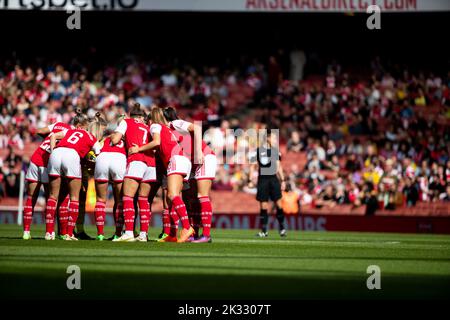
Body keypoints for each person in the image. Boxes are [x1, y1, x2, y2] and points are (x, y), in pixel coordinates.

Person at [129, 107, 194, 243]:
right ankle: (172, 234)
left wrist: (138, 148)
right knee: (171, 201)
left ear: (151, 119)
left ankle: (187, 227)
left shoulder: (155, 126)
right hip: (182, 159)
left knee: (172, 195)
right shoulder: (166, 128)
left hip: (175, 160)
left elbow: (157, 142)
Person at [162, 106, 217, 243]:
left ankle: (206, 235)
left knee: (201, 196)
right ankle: (194, 233)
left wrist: (198, 152)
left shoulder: (174, 123)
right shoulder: (169, 131)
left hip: (203, 157)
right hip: (191, 163)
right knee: (189, 199)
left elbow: (196, 128)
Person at [45, 111, 103, 240]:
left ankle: (49, 232)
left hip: (57, 153)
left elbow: (53, 136)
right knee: (74, 197)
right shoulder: (90, 136)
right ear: (84, 126)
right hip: (72, 156)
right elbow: (99, 154)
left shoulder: (69, 131)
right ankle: (69, 234)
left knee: (53, 196)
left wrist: (53, 152)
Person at [110, 103, 156, 242]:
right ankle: (143, 235)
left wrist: (118, 136)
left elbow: (115, 139)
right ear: (141, 117)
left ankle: (129, 232)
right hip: (151, 164)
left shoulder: (126, 121)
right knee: (143, 199)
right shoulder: (148, 127)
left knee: (128, 197)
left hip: (136, 160)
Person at [22, 120, 72, 240]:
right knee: (51, 197)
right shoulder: (72, 133)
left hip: (36, 158)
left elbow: (39, 131)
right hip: (47, 163)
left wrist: (47, 138)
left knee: (30, 197)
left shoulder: (58, 124)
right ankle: (49, 232)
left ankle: (26, 232)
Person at [93, 116, 125, 241]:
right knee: (119, 201)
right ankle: (117, 234)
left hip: (102, 158)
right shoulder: (125, 137)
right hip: (119, 159)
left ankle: (100, 234)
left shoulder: (104, 139)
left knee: (100, 200)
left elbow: (95, 152)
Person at [250, 130, 287, 238]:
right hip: (262, 180)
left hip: (273, 179)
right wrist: (250, 179)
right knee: (263, 206)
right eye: (274, 138)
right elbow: (253, 165)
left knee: (279, 205)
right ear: (267, 138)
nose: (275, 140)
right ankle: (264, 231)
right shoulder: (257, 151)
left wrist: (283, 181)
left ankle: (282, 228)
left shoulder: (276, 151)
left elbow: (279, 167)